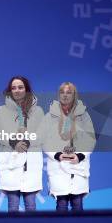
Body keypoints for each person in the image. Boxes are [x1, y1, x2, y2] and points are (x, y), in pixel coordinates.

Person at [41, 82, 95, 212]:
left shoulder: (83, 116)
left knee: (77, 204)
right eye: (62, 92)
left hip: (78, 167)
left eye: (69, 92)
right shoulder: (50, 116)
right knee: (61, 205)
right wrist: (58, 155)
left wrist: (80, 156)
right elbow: (44, 140)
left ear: (74, 95)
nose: (65, 95)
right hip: (58, 167)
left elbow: (90, 139)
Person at [0, 76, 44, 212]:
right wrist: (13, 142)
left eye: (20, 87)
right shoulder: (1, 111)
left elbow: (42, 134)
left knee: (31, 206)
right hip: (11, 161)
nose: (17, 90)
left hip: (31, 164)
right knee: (13, 206)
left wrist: (28, 141)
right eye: (13, 88)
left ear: (26, 89)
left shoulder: (38, 111)